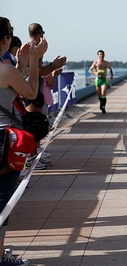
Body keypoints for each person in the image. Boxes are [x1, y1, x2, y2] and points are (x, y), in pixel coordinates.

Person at [0, 17, 48, 265]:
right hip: (2, 143)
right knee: (2, 203)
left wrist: (20, 64)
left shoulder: (7, 70)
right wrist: (34, 61)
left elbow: (8, 89)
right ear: (6, 39)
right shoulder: (3, 70)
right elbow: (30, 92)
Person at [25, 23, 66, 170]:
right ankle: (31, 159)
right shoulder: (33, 49)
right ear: (40, 34)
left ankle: (34, 158)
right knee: (33, 126)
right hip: (32, 94)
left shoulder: (30, 48)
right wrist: (54, 65)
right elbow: (38, 71)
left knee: (35, 126)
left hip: (35, 92)